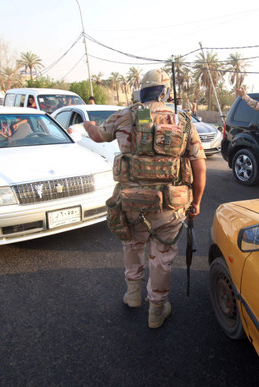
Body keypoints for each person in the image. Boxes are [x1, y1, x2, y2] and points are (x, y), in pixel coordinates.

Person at [83, 69, 207, 329]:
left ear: (142, 91)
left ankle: (132, 295)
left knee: (133, 244)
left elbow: (97, 136)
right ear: (166, 92)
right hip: (170, 205)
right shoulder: (182, 119)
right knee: (162, 257)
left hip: (131, 202)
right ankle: (157, 310)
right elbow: (199, 167)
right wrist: (196, 202)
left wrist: (88, 124)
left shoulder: (123, 115)